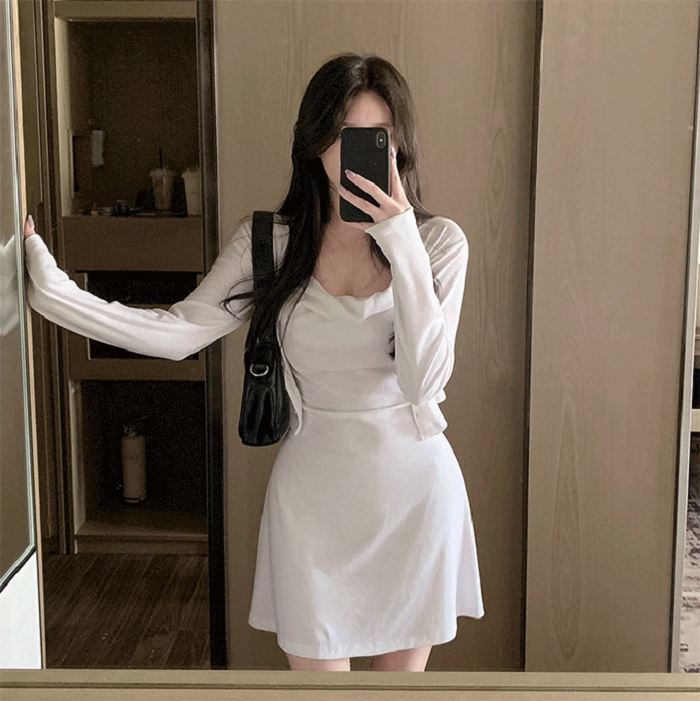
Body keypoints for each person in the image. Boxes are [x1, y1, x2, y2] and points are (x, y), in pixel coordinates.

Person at [23, 52, 485, 672]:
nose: (357, 154)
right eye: (342, 134)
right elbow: (179, 334)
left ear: (399, 143)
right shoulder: (269, 244)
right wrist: (55, 294)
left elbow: (424, 380)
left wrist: (400, 240)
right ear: (314, 142)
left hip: (415, 500)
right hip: (312, 504)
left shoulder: (438, 243)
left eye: (377, 136)